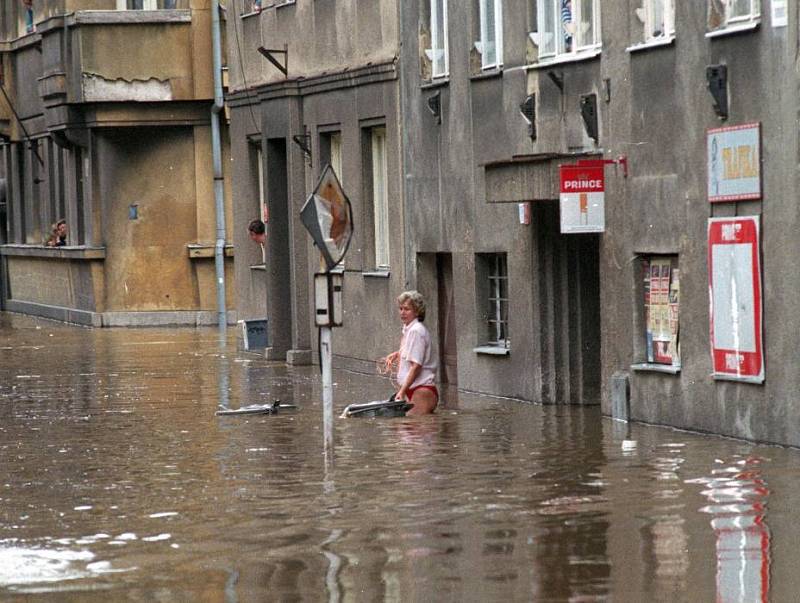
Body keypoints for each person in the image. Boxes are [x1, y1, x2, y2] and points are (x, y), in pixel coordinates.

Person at [381, 290, 439, 415]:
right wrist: (398, 353)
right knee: (408, 431)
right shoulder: (409, 329)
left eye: (406, 309)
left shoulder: (416, 331)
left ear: (417, 311)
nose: (402, 312)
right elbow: (415, 351)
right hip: (415, 389)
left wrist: (402, 391)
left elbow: (416, 366)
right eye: (400, 308)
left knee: (413, 430)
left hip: (421, 390)